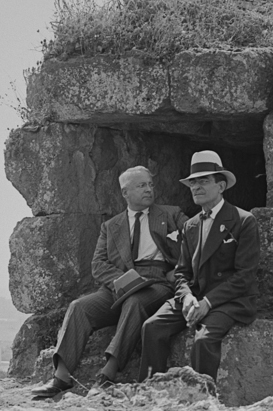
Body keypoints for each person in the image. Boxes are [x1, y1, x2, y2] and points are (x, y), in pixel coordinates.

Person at [31, 167, 188, 399]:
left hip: (157, 283)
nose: (148, 189)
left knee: (135, 302)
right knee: (79, 307)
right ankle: (61, 377)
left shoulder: (171, 214)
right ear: (125, 193)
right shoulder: (111, 226)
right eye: (141, 185)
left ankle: (107, 375)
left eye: (150, 185)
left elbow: (196, 239)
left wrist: (177, 271)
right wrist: (125, 280)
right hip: (120, 284)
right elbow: (98, 264)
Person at [139, 150, 259, 384]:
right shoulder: (191, 226)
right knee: (152, 327)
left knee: (203, 340)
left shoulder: (244, 221)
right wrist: (186, 298)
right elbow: (182, 273)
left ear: (221, 186)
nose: (196, 187)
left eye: (204, 181)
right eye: (193, 182)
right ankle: (150, 393)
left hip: (228, 300)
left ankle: (202, 401)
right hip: (195, 297)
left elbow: (245, 276)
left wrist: (208, 303)